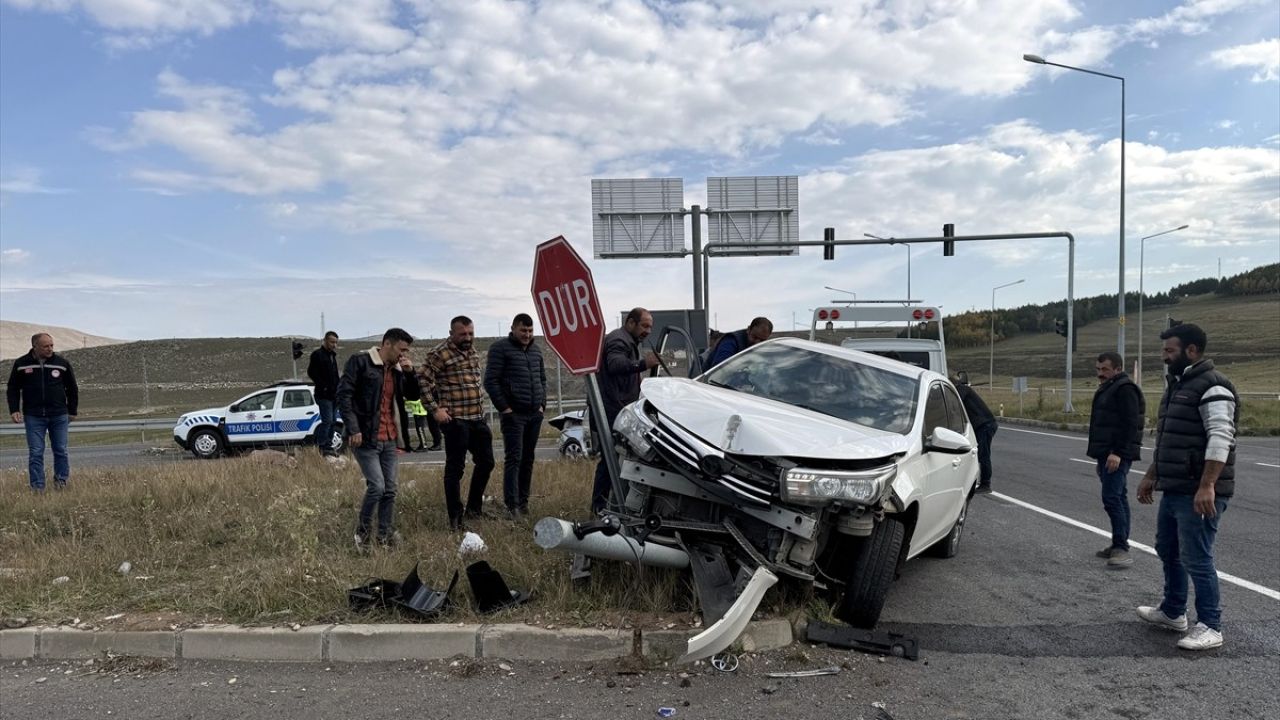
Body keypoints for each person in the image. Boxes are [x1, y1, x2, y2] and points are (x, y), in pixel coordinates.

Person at [1136, 323, 1239, 651]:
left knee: (1197, 555)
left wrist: (1208, 485)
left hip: (1199, 489)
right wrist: (1152, 474)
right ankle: (1173, 611)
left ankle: (1211, 624)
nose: (1164, 357)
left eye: (1170, 351)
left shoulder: (1214, 387)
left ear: (1191, 350)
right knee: (1168, 548)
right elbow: (1168, 439)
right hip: (1176, 486)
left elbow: (1221, 436)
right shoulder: (1178, 385)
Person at [336, 328, 420, 551]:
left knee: (390, 489)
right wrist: (353, 428)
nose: (403, 355)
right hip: (365, 437)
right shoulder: (360, 362)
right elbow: (344, 395)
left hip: (390, 437)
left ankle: (383, 537)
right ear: (387, 344)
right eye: (401, 350)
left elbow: (413, 396)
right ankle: (362, 535)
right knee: (377, 487)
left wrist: (411, 373)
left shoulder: (399, 371)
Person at [420, 316, 495, 530]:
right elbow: (423, 379)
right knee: (455, 469)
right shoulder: (439, 353)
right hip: (456, 420)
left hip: (477, 418)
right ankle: (456, 518)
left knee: (487, 462)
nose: (468, 337)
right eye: (463, 334)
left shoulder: (472, 352)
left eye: (471, 333)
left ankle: (474, 509)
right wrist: (434, 409)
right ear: (452, 333)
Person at [591, 307, 659, 513]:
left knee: (617, 460)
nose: (648, 331)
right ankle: (600, 508)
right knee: (611, 461)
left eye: (650, 327)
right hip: (611, 410)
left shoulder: (629, 341)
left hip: (617, 407)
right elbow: (615, 364)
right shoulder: (619, 340)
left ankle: (611, 506)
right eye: (644, 326)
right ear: (631, 323)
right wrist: (642, 364)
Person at [484, 313, 548, 519]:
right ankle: (512, 506)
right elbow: (491, 381)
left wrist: (542, 405)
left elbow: (542, 379)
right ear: (513, 328)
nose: (527, 334)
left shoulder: (536, 351)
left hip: (534, 414)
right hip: (514, 416)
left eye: (530, 331)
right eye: (523, 330)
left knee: (528, 459)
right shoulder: (500, 349)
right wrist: (505, 408)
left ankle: (523, 502)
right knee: (515, 459)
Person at [1086, 351, 1146, 568]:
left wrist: (1117, 453)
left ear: (1118, 369)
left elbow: (1129, 424)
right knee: (1118, 496)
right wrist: (1101, 457)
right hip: (1107, 453)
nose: (1100, 374)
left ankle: (1121, 548)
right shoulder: (1110, 387)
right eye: (1098, 369)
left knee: (1112, 498)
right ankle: (1118, 543)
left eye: (1105, 369)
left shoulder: (1124, 389)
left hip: (1117, 453)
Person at [6, 333, 78, 491]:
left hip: (59, 414)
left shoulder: (62, 363)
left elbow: (72, 388)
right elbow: (13, 388)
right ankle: (37, 488)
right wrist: (14, 409)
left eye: (52, 345)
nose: (50, 349)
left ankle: (61, 483)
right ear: (35, 346)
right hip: (33, 415)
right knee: (36, 452)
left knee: (60, 450)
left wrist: (72, 410)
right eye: (46, 346)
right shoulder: (21, 364)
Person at [952, 370, 997, 494]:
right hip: (982, 425)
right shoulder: (964, 390)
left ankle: (986, 484)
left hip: (985, 425)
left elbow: (956, 404)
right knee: (975, 453)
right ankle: (974, 481)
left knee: (983, 454)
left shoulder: (963, 390)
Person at [307, 331, 340, 456]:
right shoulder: (318, 355)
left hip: (334, 395)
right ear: (325, 340)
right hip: (323, 395)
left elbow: (335, 375)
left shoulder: (332, 356)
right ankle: (322, 445)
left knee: (333, 421)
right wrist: (323, 386)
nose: (334, 345)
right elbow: (312, 372)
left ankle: (328, 445)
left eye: (336, 342)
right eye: (332, 342)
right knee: (327, 420)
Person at [705, 317, 773, 370]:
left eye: (762, 340)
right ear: (748, 329)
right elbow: (720, 367)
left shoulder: (765, 349)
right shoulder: (731, 341)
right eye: (754, 337)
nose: (757, 343)